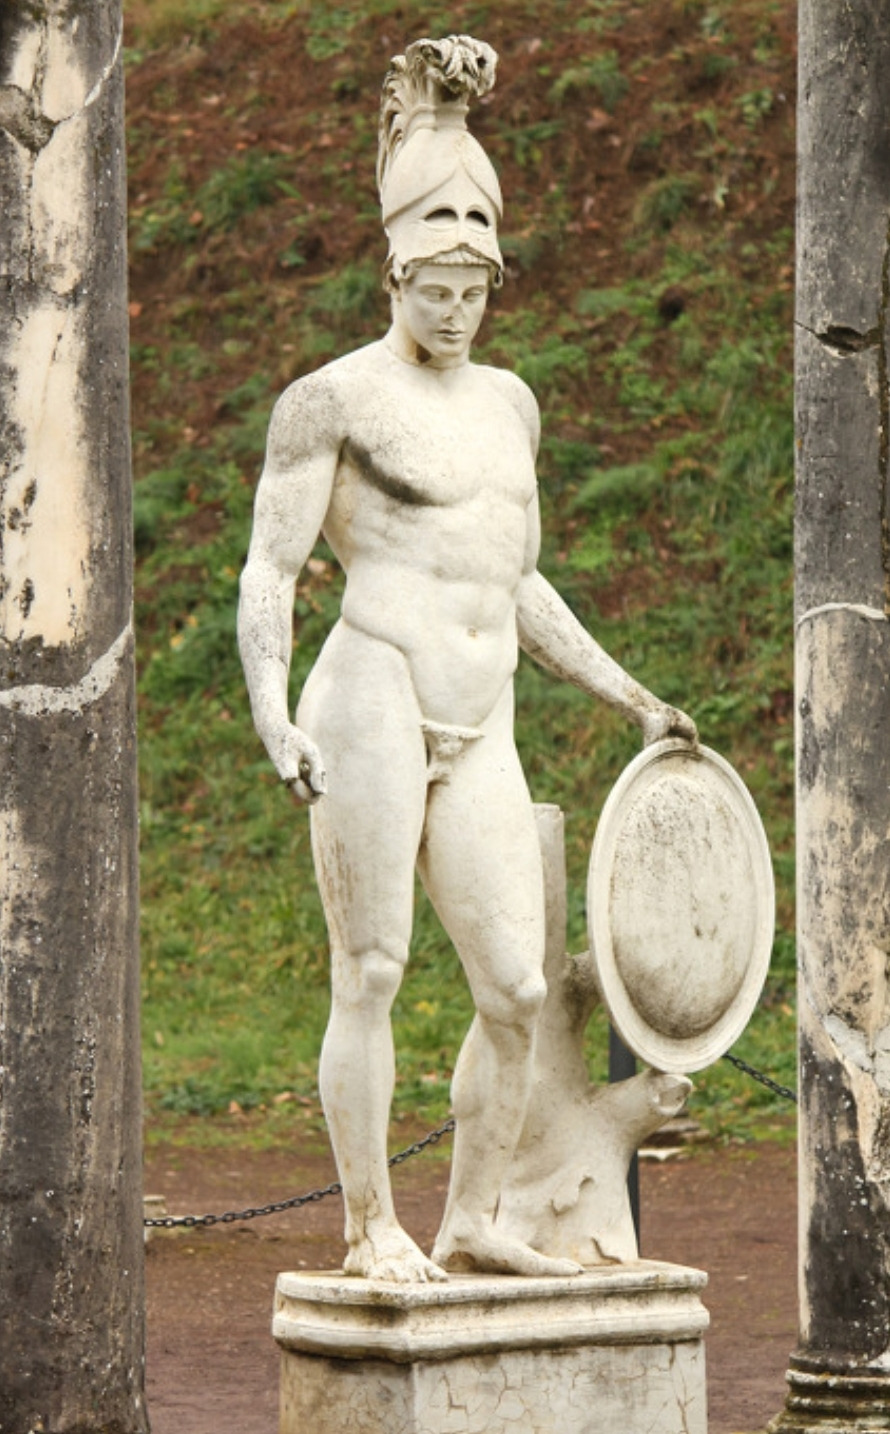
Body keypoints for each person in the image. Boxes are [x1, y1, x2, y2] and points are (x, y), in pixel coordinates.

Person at [238, 36, 696, 1283]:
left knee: (515, 990)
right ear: (394, 274)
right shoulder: (329, 400)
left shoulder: (510, 405)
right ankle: (367, 1227)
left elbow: (514, 581)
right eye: (433, 290)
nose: (454, 312)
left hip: (481, 714)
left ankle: (473, 1220)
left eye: (472, 291)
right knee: (371, 969)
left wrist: (630, 695)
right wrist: (274, 715)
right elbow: (270, 570)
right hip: (372, 690)